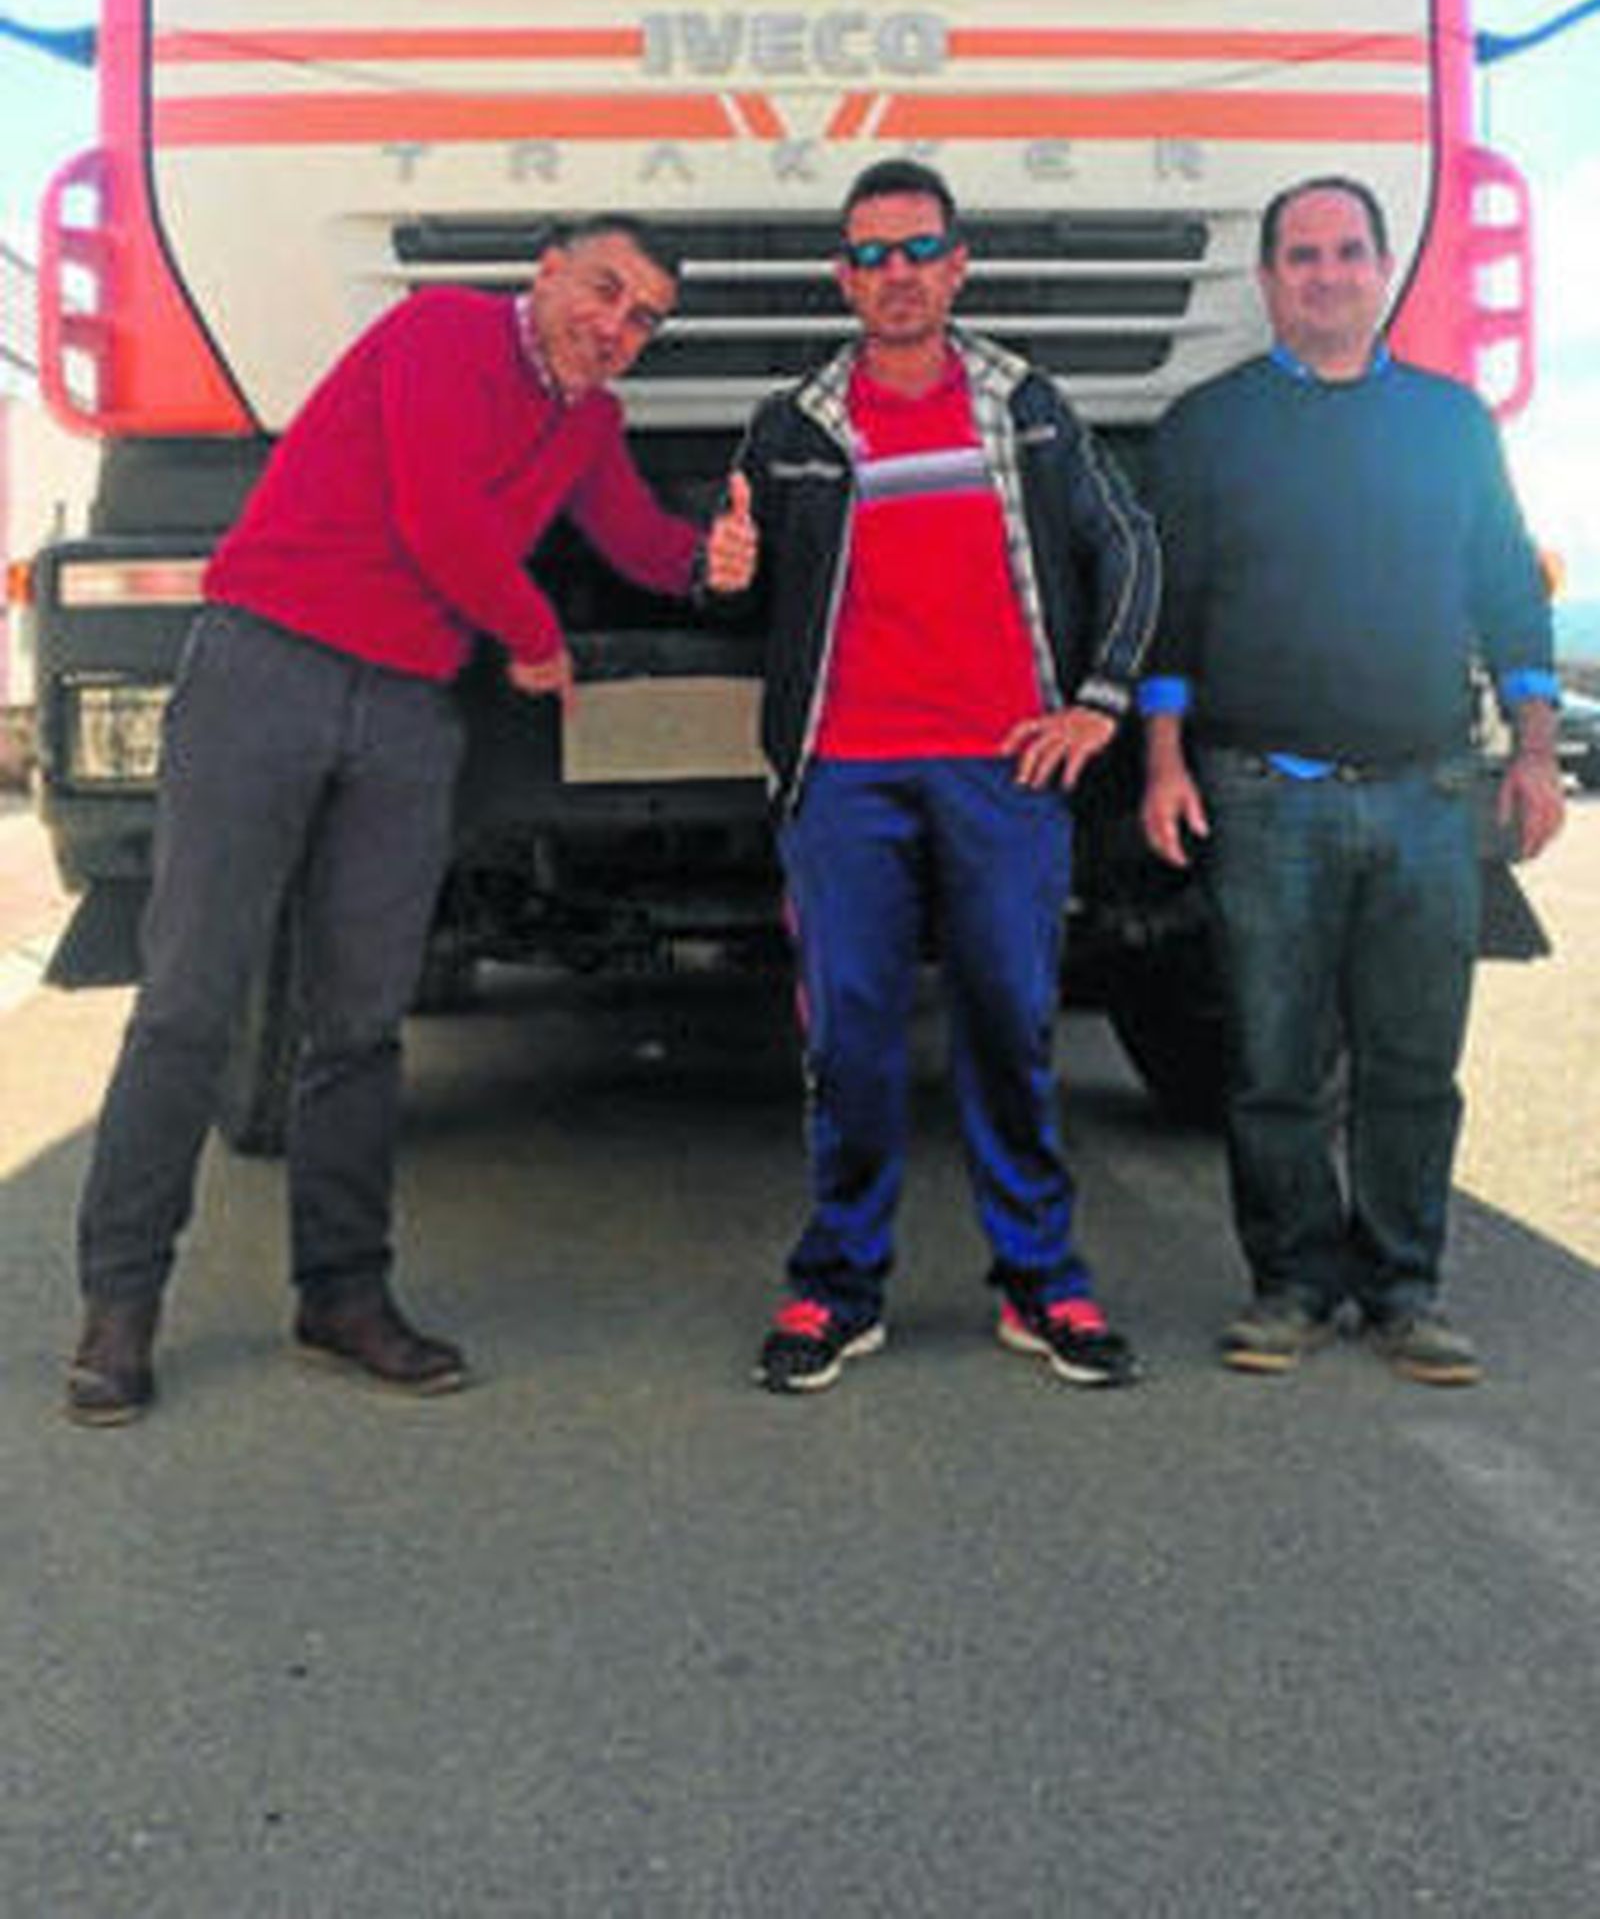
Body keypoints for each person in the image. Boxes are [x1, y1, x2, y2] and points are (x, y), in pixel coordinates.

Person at [66, 215, 757, 1424]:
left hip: (404, 712)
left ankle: (341, 1296)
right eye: (604, 289)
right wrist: (534, 639)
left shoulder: (588, 424)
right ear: (547, 272)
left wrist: (715, 560)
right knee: (189, 1003)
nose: (616, 325)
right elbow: (436, 516)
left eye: (644, 318)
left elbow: (638, 544)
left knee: (362, 1020)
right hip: (267, 670)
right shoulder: (440, 330)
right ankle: (119, 1312)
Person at [724, 158, 1159, 1394]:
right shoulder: (792, 422)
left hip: (1001, 770)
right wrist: (721, 567)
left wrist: (1098, 703)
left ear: (957, 265)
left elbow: (1128, 545)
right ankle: (836, 1289)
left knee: (1010, 1027)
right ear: (843, 279)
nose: (897, 275)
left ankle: (1040, 1283)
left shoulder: (1027, 406)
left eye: (918, 250)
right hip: (844, 776)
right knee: (850, 1038)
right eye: (871, 256)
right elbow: (742, 590)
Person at [1139, 176, 1564, 1386]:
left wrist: (1534, 752)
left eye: (1345, 253)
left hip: (1428, 793)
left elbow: (1505, 589)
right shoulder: (1207, 427)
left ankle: (1402, 1292)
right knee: (1272, 1067)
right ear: (1268, 279)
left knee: (1411, 1067)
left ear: (1380, 270)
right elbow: (1172, 613)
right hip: (1262, 793)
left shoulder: (1449, 422)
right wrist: (1162, 764)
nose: (1325, 275)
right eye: (1301, 256)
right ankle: (1290, 1286)